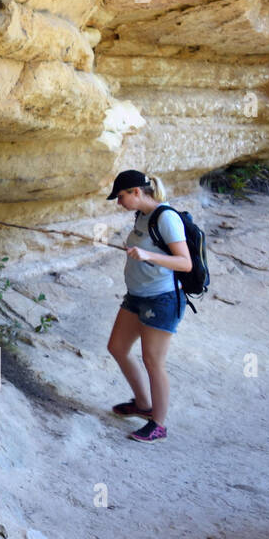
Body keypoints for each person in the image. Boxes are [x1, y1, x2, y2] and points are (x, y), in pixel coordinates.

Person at [103, 169, 193, 443]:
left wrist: (147, 255)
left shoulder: (167, 218)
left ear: (137, 192)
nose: (119, 203)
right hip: (137, 296)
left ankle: (159, 423)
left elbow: (185, 263)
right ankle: (142, 405)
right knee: (117, 347)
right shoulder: (142, 216)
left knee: (153, 361)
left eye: (121, 196)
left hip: (162, 299)